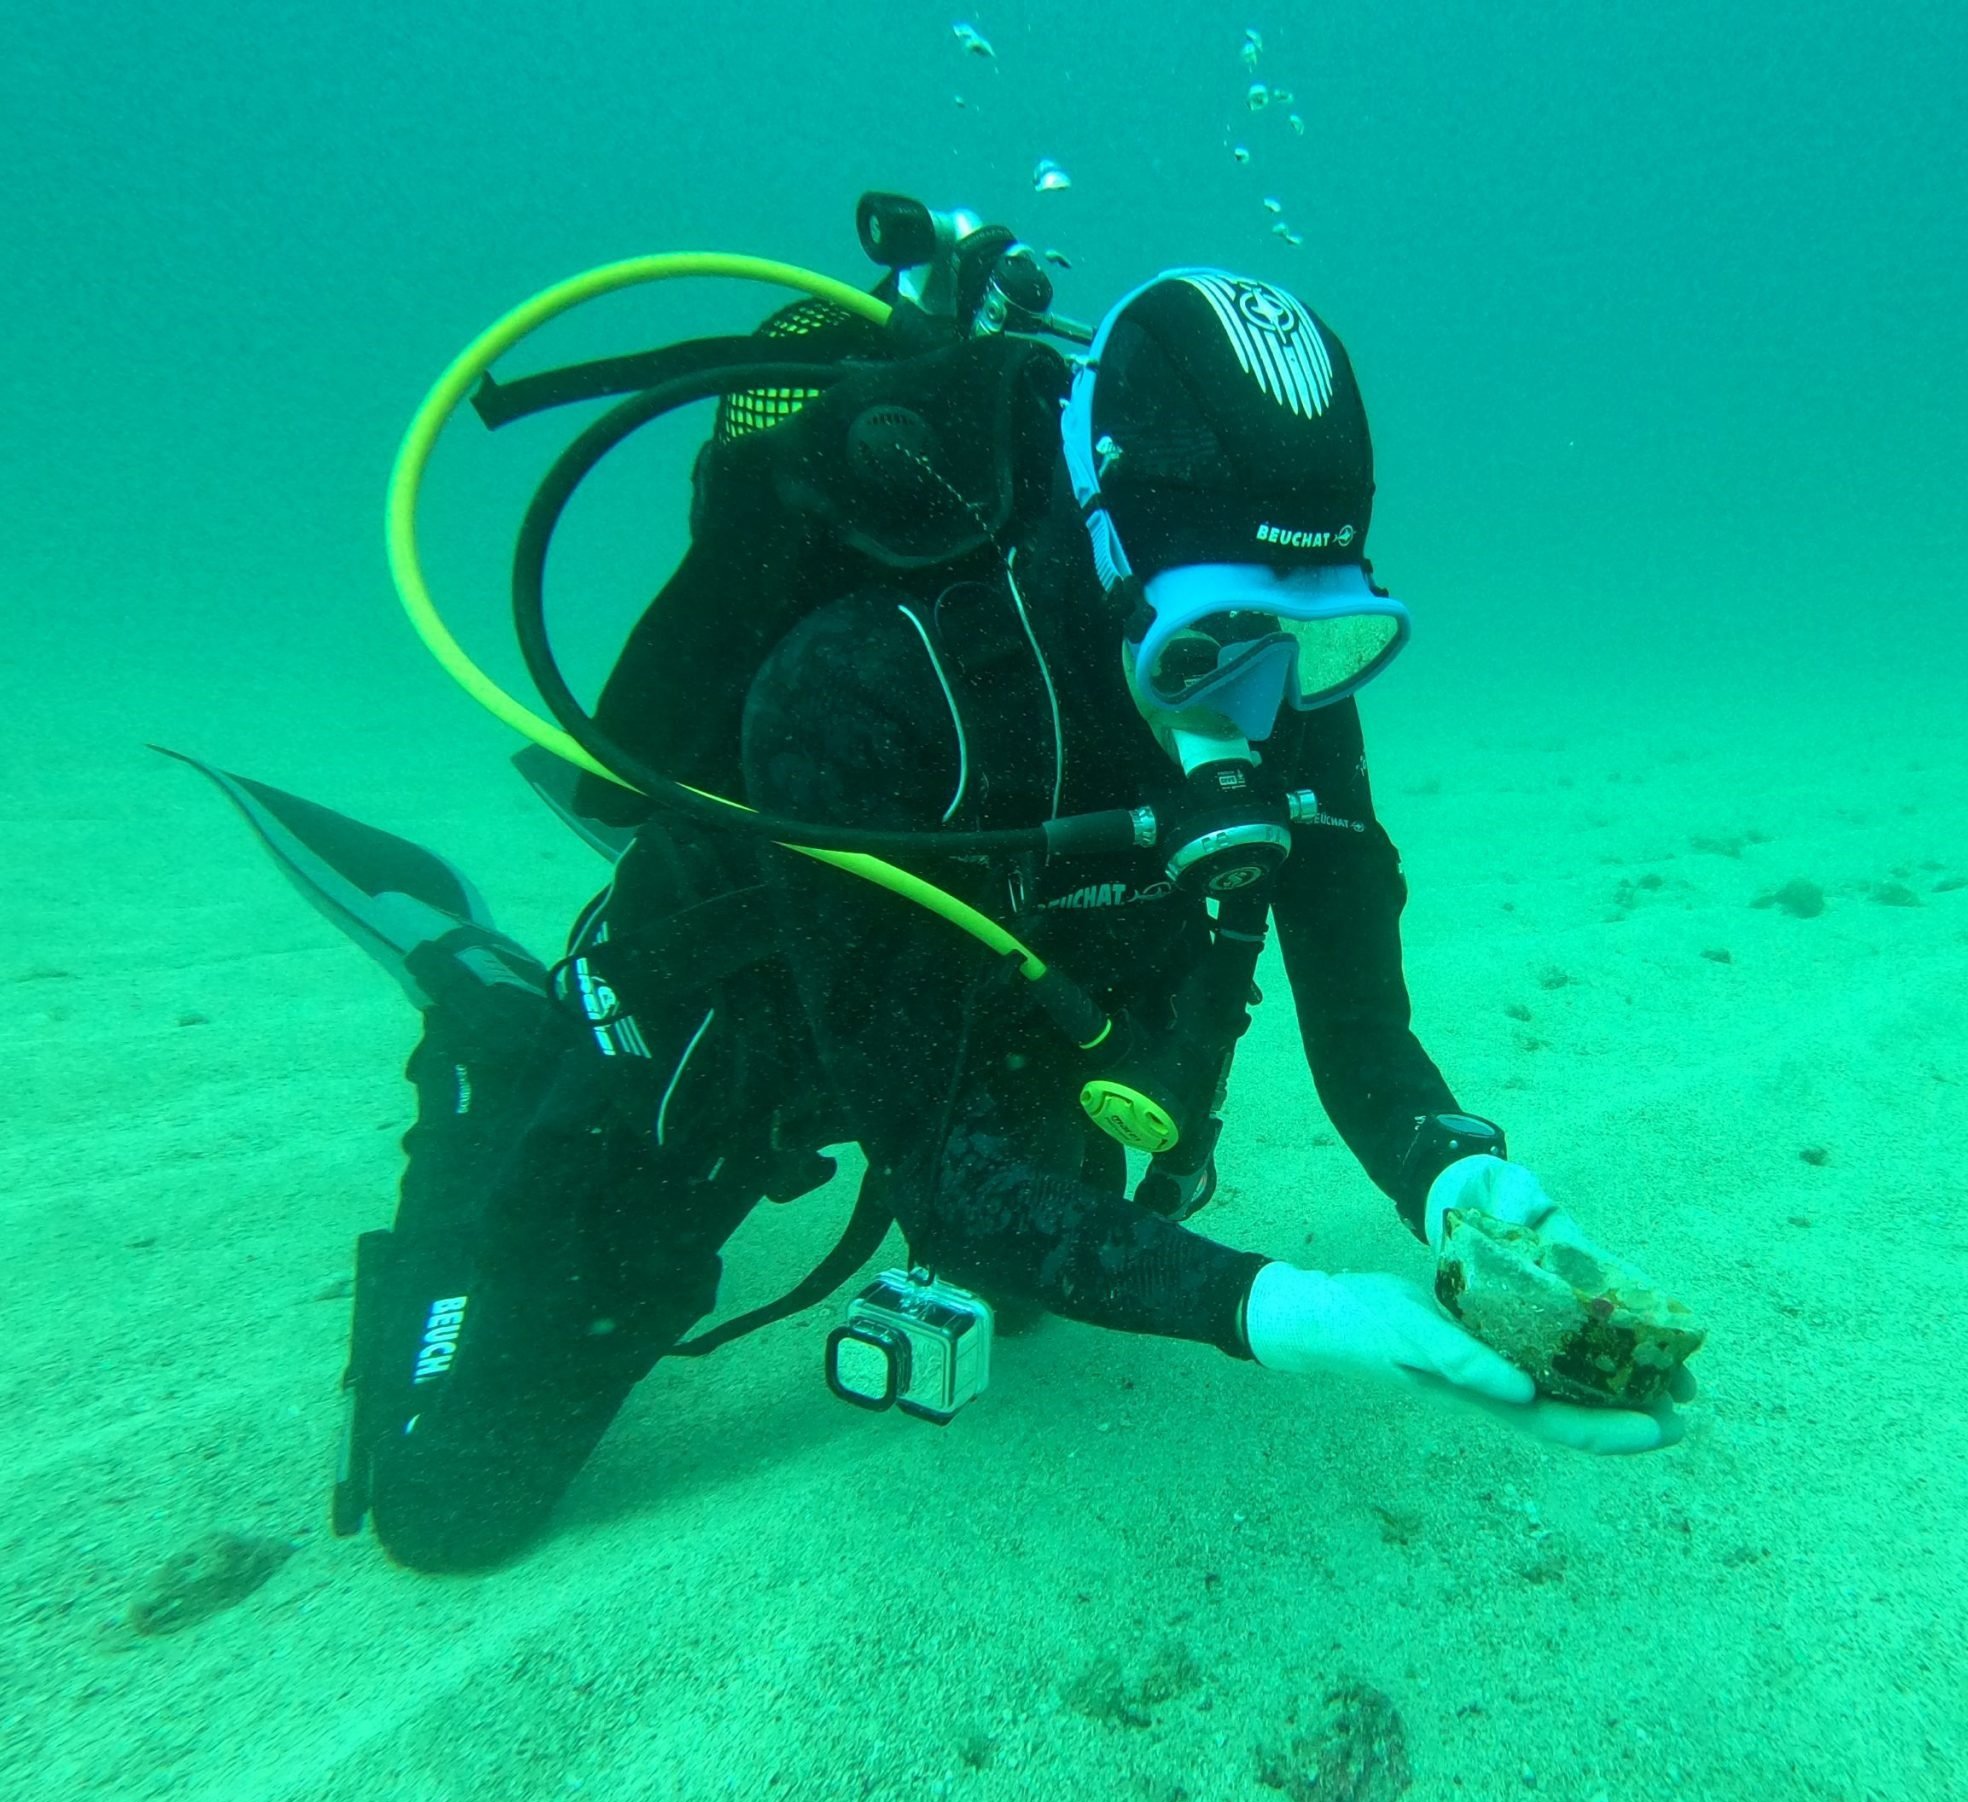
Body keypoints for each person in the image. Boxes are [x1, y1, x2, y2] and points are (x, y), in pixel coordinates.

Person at [190, 247, 1686, 1575]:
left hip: (1003, 1005)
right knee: (453, 1507)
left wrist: (1453, 1177)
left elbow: (1364, 1034)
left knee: (1024, 1289)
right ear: (1108, 537)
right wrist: (1278, 1309)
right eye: (1215, 636)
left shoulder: (1275, 667)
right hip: (752, 1005)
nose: (1264, 701)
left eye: (1321, 635)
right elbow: (939, 1166)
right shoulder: (866, 677)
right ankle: (489, 1009)